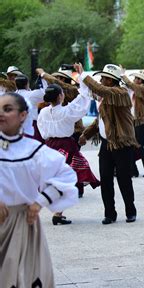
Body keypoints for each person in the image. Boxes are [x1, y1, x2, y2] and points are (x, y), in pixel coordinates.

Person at [0, 92, 78, 288]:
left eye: (8, 109)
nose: (2, 114)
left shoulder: (33, 150)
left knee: (20, 277)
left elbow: (66, 177)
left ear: (23, 115)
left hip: (22, 224)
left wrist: (40, 202)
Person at [37, 63, 100, 225]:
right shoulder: (66, 111)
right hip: (66, 146)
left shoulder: (43, 112)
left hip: (49, 146)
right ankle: (57, 213)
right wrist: (82, 76)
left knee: (56, 178)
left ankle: (56, 210)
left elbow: (43, 132)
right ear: (60, 97)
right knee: (66, 180)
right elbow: (83, 100)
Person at [79, 64, 139, 225]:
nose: (101, 80)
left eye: (104, 78)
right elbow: (100, 120)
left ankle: (130, 211)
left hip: (122, 143)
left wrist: (83, 75)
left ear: (112, 81)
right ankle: (109, 214)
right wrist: (86, 134)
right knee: (105, 179)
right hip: (107, 144)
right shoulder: (106, 98)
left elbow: (101, 90)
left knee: (124, 179)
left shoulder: (121, 93)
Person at [121, 70, 144, 177]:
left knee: (139, 145)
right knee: (134, 145)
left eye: (135, 78)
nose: (134, 80)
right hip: (135, 121)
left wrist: (122, 75)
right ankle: (134, 170)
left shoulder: (143, 88)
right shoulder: (137, 90)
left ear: (140, 80)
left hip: (141, 121)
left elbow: (130, 85)